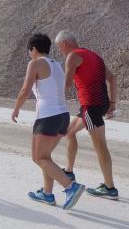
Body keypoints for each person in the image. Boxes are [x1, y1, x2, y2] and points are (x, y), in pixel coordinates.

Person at [11, 34, 86, 210]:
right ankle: (47, 193)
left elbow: (25, 89)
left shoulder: (35, 63)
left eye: (30, 51)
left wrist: (16, 109)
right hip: (63, 116)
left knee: (38, 157)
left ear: (33, 49)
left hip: (47, 116)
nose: (30, 54)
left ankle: (70, 187)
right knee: (46, 157)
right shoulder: (57, 65)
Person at [54, 30, 119, 200]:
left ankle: (110, 188)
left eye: (59, 47)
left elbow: (67, 84)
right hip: (98, 104)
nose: (60, 50)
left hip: (91, 106)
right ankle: (69, 171)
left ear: (64, 43)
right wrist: (112, 104)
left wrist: (56, 104)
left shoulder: (72, 56)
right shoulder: (93, 55)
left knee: (100, 146)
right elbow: (112, 78)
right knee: (69, 132)